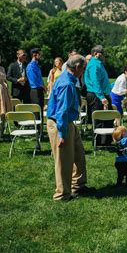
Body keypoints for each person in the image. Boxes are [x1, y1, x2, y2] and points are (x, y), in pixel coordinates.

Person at [46, 54, 88, 201]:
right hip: (60, 124)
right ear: (77, 67)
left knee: (78, 155)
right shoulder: (67, 84)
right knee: (64, 161)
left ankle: (78, 185)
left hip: (68, 122)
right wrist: (62, 135)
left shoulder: (69, 79)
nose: (83, 71)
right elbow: (61, 111)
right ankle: (62, 194)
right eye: (83, 68)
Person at [85, 45, 112, 145]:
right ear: (95, 53)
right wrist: (102, 97)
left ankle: (106, 142)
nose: (103, 55)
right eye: (101, 53)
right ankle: (99, 143)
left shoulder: (99, 64)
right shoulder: (94, 65)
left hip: (102, 94)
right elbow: (95, 82)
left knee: (107, 118)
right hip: (97, 95)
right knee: (99, 119)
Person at [27, 48, 46, 128]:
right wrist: (42, 86)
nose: (40, 56)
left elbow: (40, 78)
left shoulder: (36, 65)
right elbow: (34, 80)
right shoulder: (31, 66)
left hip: (39, 90)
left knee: (40, 110)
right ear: (35, 55)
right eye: (39, 54)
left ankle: (40, 129)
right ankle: (37, 130)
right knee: (36, 111)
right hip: (35, 91)